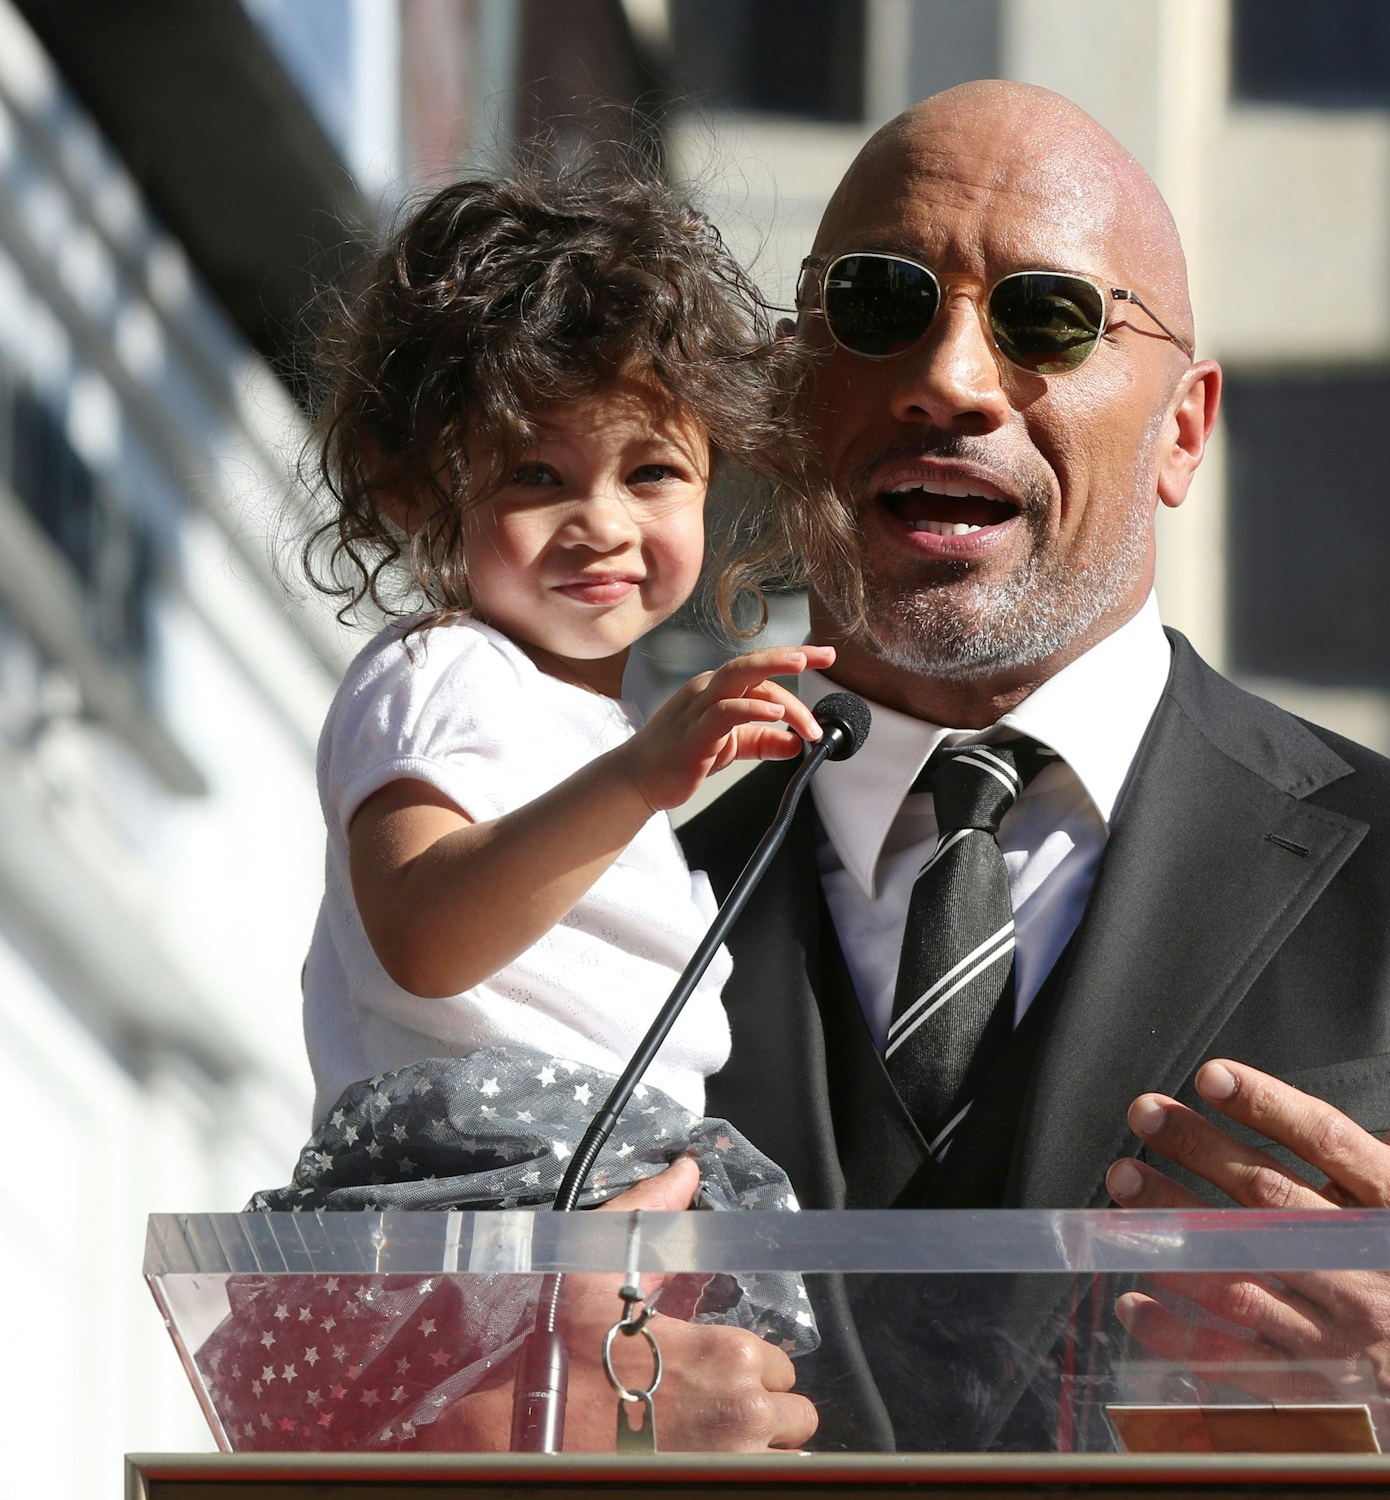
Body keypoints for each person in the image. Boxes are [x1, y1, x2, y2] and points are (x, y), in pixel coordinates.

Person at [682, 81, 1390, 1455]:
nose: (952, 379)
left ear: (1183, 431)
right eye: (880, 303)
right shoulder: (587, 923)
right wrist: (513, 1421)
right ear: (789, 388)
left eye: (1046, 319)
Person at [233, 160, 842, 1452]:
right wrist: (639, 780)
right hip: (487, 1188)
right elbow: (423, 930)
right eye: (534, 476)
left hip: (603, 1194)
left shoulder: (598, 733)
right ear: (415, 491)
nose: (602, 522)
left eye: (653, 471)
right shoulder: (442, 670)